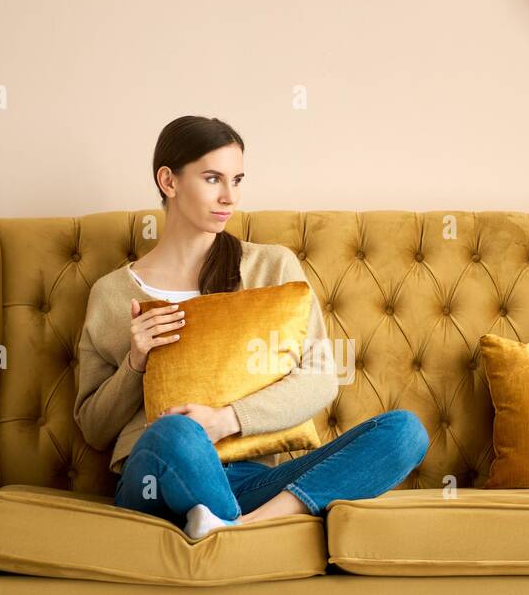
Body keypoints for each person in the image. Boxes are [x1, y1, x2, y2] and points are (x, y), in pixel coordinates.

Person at [73, 115, 428, 540]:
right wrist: (135, 363)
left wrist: (226, 421)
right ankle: (237, 532)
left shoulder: (271, 266)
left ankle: (237, 526)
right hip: (160, 476)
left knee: (405, 432)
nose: (229, 197)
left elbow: (320, 378)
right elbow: (93, 429)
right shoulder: (112, 293)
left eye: (237, 180)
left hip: (251, 483)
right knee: (176, 433)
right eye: (212, 178)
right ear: (168, 181)